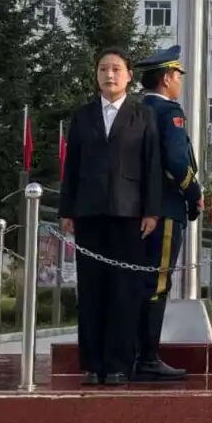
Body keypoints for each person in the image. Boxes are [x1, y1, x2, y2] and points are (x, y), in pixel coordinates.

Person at [59, 48, 162, 386]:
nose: (109, 75)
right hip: (89, 212)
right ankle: (93, 363)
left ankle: (118, 363)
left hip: (129, 213)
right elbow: (72, 165)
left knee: (124, 290)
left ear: (129, 76)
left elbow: (153, 165)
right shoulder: (83, 116)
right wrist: (67, 210)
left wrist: (152, 210)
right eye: (103, 69)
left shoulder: (143, 115)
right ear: (96, 75)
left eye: (116, 69)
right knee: (91, 290)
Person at [129, 45, 202, 382]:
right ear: (167, 78)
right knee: (156, 284)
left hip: (134, 209)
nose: (179, 83)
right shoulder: (169, 111)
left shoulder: (133, 109)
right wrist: (193, 193)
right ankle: (147, 358)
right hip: (165, 208)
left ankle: (130, 354)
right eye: (177, 76)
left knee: (136, 281)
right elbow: (176, 161)